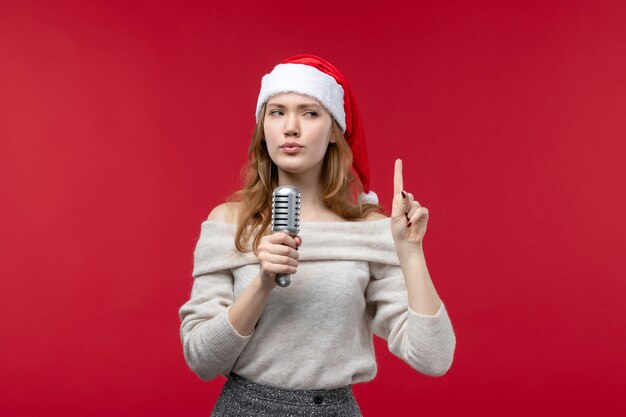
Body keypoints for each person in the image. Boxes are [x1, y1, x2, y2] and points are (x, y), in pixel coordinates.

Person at [178, 54, 456, 416]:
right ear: (264, 129)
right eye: (277, 111)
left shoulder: (369, 230)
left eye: (309, 112)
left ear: (333, 131)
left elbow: (433, 358)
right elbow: (201, 359)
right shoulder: (229, 224)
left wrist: (411, 252)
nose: (291, 127)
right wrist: (262, 282)